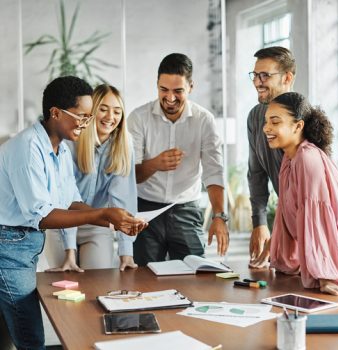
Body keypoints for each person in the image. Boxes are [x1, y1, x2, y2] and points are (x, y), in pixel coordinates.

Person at [0, 76, 146, 349]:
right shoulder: (27, 148)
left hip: (25, 241)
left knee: (15, 328)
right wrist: (102, 216)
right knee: (29, 334)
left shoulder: (60, 150)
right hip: (8, 244)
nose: (87, 123)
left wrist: (110, 217)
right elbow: (43, 215)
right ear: (55, 113)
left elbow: (70, 201)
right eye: (82, 116)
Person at [128, 53, 229, 266]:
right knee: (144, 280)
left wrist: (219, 216)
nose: (170, 97)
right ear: (156, 85)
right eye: (163, 90)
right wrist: (156, 164)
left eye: (178, 91)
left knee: (194, 276)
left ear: (191, 87)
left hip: (186, 209)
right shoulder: (138, 118)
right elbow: (130, 175)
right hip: (145, 210)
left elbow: (214, 170)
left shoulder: (204, 120)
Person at [261, 91, 338, 296]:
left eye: (275, 122)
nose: (267, 128)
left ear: (298, 126)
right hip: (330, 255)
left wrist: (325, 276)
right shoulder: (289, 158)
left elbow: (318, 219)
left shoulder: (307, 159)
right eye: (267, 121)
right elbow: (287, 212)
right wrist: (283, 260)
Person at [44, 84, 138, 272]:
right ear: (90, 112)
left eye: (117, 112)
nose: (110, 117)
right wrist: (69, 251)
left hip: (96, 226)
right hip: (61, 225)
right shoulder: (70, 142)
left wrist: (126, 253)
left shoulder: (123, 147)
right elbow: (66, 200)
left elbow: (122, 200)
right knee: (64, 285)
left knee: (98, 281)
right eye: (103, 109)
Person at [247, 46, 296, 266]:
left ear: (287, 78)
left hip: (312, 225)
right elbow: (256, 173)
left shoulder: (304, 119)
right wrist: (259, 222)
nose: (258, 82)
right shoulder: (256, 116)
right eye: (255, 75)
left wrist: (277, 236)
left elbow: (305, 195)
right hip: (287, 223)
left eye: (265, 75)